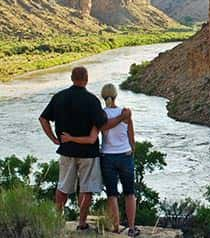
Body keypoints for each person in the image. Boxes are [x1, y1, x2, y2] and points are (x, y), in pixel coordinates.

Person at [39, 67, 130, 230]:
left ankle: (57, 221)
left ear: (71, 78)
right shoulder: (92, 100)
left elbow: (43, 118)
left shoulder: (59, 97)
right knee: (87, 188)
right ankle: (81, 222)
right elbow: (103, 125)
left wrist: (54, 139)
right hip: (89, 153)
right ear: (86, 79)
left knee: (63, 187)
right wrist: (122, 117)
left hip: (66, 150)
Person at [61, 83, 139, 237]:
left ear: (103, 97)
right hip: (125, 155)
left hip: (107, 157)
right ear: (116, 96)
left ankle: (116, 227)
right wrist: (131, 151)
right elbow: (132, 137)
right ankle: (131, 227)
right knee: (130, 193)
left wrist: (70, 138)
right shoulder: (125, 113)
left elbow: (93, 137)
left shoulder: (100, 115)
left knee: (112, 194)